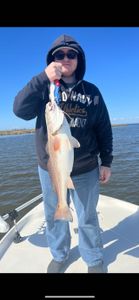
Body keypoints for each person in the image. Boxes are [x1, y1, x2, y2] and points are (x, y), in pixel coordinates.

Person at [13, 34, 113, 273]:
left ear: (79, 60)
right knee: (54, 216)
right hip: (51, 168)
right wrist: (42, 78)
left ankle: (93, 258)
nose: (66, 58)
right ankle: (60, 254)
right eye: (60, 54)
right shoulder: (43, 91)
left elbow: (104, 128)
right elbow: (19, 109)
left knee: (88, 217)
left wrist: (106, 161)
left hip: (87, 167)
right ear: (52, 59)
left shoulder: (93, 92)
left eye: (71, 54)